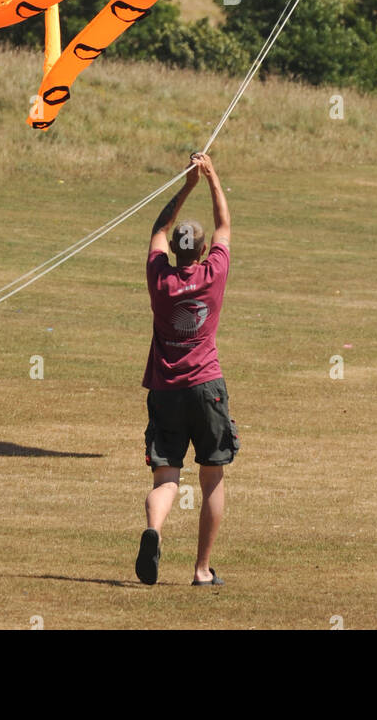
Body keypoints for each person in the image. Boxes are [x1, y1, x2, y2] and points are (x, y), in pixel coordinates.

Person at [134, 152, 238, 587]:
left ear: (174, 251)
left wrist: (187, 183)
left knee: (167, 476)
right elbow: (224, 227)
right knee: (211, 477)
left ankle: (154, 531)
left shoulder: (160, 277)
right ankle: (201, 570)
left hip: (165, 390)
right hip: (206, 388)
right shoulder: (214, 271)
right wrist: (213, 177)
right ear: (200, 251)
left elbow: (158, 228)